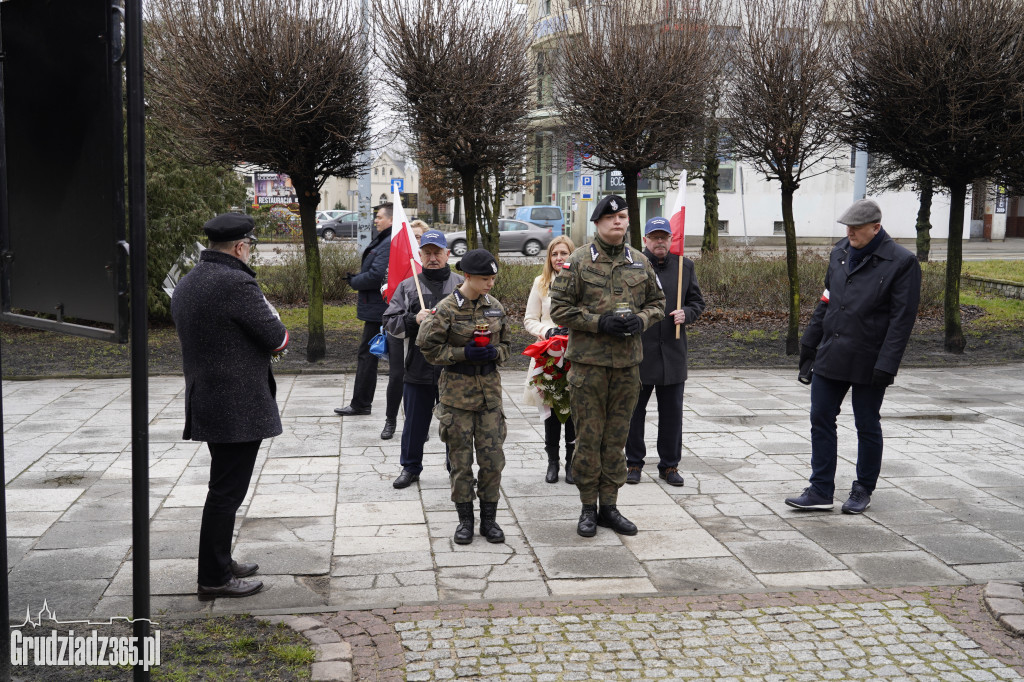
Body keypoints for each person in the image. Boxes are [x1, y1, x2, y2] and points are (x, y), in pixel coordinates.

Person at [171, 213, 289, 600]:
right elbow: (276, 337)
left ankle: (220, 562)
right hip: (236, 404)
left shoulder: (191, 279)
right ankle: (214, 578)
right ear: (240, 247)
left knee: (222, 487)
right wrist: (277, 324)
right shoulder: (237, 281)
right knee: (226, 493)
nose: (249, 251)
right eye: (249, 245)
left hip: (207, 396)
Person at [785, 198, 921, 514]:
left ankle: (863, 489)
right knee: (820, 417)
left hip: (869, 359)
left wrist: (887, 364)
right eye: (847, 227)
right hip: (832, 352)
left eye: (856, 228)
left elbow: (902, 321)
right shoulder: (840, 252)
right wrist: (809, 344)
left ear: (876, 227)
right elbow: (826, 300)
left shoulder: (902, 262)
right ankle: (820, 490)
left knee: (866, 423)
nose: (850, 233)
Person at [550, 195, 666, 538]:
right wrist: (598, 323)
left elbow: (657, 302)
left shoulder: (640, 261)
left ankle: (610, 507)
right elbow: (559, 309)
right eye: (611, 216)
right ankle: (588, 507)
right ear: (598, 223)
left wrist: (642, 320)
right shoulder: (578, 261)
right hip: (589, 367)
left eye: (623, 216)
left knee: (617, 439)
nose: (619, 221)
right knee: (588, 439)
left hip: (627, 367)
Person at [418, 249, 512, 545]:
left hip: (489, 398)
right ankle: (465, 520)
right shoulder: (446, 309)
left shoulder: (495, 307)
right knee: (461, 462)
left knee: (493, 461)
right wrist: (462, 353)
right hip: (457, 398)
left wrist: (495, 352)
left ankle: (489, 520)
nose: (490, 284)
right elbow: (429, 350)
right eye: (485, 279)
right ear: (468, 276)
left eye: (493, 279)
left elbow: (508, 344)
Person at [625, 217, 705, 487]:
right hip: (640, 353)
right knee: (634, 412)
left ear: (671, 239)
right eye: (654, 237)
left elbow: (697, 301)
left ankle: (669, 466)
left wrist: (688, 313)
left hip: (672, 353)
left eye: (665, 237)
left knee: (672, 414)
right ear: (645, 240)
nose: (660, 242)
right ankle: (633, 463)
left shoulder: (685, 267)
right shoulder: (632, 265)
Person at [382, 230, 463, 488]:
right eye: (427, 253)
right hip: (418, 367)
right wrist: (413, 319)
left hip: (454, 368)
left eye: (437, 252)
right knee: (415, 423)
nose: (432, 257)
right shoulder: (408, 287)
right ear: (419, 256)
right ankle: (410, 467)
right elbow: (389, 323)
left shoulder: (462, 285)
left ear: (447, 254)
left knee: (455, 423)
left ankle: (457, 467)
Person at [336, 204, 395, 431]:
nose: (375, 221)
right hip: (377, 308)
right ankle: (361, 403)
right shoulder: (384, 240)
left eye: (379, 217)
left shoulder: (388, 242)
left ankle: (361, 404)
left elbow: (376, 276)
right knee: (372, 354)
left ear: (390, 219)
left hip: (380, 308)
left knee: (369, 354)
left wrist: (354, 281)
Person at [524, 235, 577, 484]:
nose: (559, 258)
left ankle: (572, 463)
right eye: (554, 254)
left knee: (574, 410)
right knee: (552, 411)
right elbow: (530, 319)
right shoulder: (541, 282)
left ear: (571, 255)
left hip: (576, 353)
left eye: (564, 253)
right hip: (548, 355)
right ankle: (552, 462)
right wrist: (548, 332)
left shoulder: (581, 281)